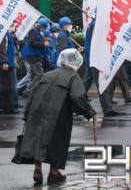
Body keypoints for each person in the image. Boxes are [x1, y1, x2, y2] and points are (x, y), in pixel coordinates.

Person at [19, 49, 96, 185]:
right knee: (58, 141)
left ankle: (38, 167)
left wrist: (26, 114)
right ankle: (54, 173)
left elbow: (32, 94)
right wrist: (89, 112)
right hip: (59, 113)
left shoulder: (47, 74)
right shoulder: (73, 76)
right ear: (77, 62)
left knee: (39, 138)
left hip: (37, 110)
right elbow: (77, 96)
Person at [82, 19, 119, 116]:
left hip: (91, 57)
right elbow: (98, 42)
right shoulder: (96, 25)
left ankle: (74, 102)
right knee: (101, 83)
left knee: (87, 81)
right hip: (95, 58)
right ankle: (107, 109)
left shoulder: (94, 24)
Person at [20, 18, 49, 97]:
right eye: (45, 27)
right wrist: (43, 44)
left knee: (33, 75)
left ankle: (31, 92)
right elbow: (32, 43)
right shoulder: (33, 31)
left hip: (34, 56)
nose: (45, 29)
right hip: (32, 56)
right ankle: (28, 90)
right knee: (40, 74)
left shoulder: (37, 31)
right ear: (42, 26)